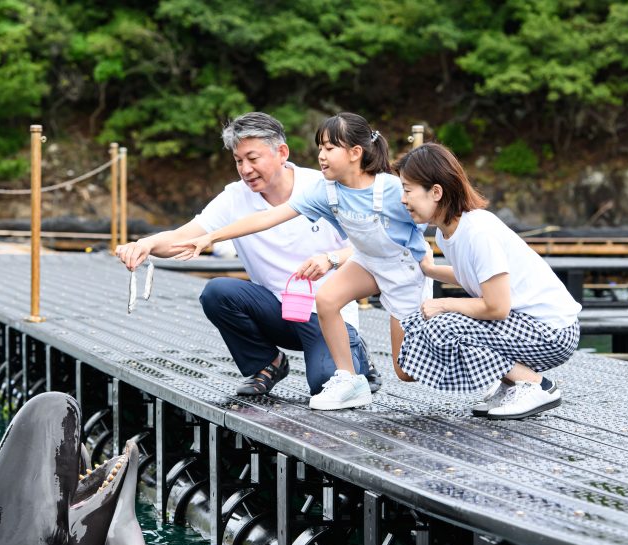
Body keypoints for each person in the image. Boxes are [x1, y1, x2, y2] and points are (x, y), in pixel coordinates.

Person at [172, 112, 431, 411]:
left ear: (355, 153)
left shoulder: (390, 188)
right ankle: (349, 379)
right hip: (359, 270)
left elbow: (433, 213)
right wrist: (211, 238)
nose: (321, 156)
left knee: (406, 370)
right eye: (319, 148)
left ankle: (494, 373)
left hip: (405, 271)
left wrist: (447, 255)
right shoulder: (324, 190)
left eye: (329, 149)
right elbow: (267, 218)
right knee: (327, 298)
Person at [115, 112, 379, 397]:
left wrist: (331, 258)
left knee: (324, 384)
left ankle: (358, 357)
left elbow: (366, 245)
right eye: (238, 161)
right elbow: (184, 237)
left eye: (253, 159)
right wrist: (146, 244)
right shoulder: (234, 197)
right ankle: (268, 363)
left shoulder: (321, 186)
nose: (245, 169)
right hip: (275, 311)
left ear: (282, 152)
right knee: (217, 292)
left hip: (326, 313)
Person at [394, 142, 581, 419]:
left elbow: (497, 307)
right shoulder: (449, 233)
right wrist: (430, 270)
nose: (403, 199)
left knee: (445, 325)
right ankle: (512, 386)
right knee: (434, 323)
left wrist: (444, 304)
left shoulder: (478, 232)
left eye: (408, 190)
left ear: (436, 192)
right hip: (525, 325)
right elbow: (474, 276)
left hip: (552, 332)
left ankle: (537, 385)